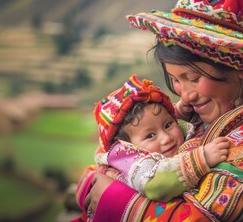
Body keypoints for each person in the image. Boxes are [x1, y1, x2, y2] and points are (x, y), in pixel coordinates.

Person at [78, 0, 243, 221]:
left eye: (193, 78)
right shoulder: (210, 113)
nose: (185, 95)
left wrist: (111, 196)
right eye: (175, 80)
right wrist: (95, 178)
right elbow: (130, 152)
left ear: (239, 66)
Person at [92, 74, 229, 202]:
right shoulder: (128, 159)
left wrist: (181, 111)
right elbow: (155, 185)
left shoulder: (175, 129)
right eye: (150, 135)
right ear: (127, 146)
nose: (166, 138)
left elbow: (170, 120)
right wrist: (202, 158)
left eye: (168, 125)